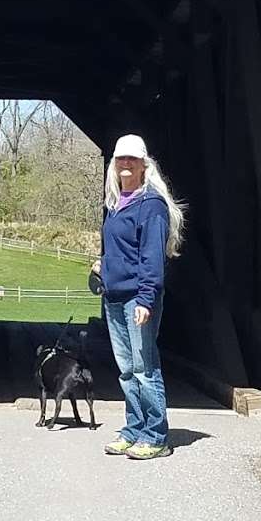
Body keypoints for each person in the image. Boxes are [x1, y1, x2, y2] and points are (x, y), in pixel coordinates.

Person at [92, 134, 184, 460]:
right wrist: (104, 265)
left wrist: (146, 299)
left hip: (137, 299)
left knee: (146, 368)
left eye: (132, 159)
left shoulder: (152, 205)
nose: (126, 164)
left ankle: (156, 436)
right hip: (113, 296)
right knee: (127, 370)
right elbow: (121, 250)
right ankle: (133, 430)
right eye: (120, 159)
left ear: (145, 164)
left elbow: (151, 257)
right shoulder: (116, 205)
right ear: (114, 165)